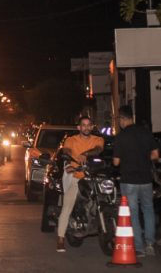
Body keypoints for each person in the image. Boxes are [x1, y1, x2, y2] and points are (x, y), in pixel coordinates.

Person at [113, 105, 160, 257]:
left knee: (133, 213)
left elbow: (116, 162)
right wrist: (143, 158)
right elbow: (155, 155)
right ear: (131, 117)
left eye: (118, 118)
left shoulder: (121, 136)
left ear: (122, 118)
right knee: (148, 210)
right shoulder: (146, 133)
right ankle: (150, 244)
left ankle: (139, 248)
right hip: (146, 180)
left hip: (129, 180)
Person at [56, 116, 104, 252]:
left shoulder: (98, 139)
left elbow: (98, 149)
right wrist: (69, 156)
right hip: (76, 176)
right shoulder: (71, 140)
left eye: (89, 125)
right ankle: (60, 239)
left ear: (92, 126)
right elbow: (67, 150)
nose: (86, 127)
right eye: (83, 125)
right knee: (67, 207)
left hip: (93, 178)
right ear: (79, 127)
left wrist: (86, 154)